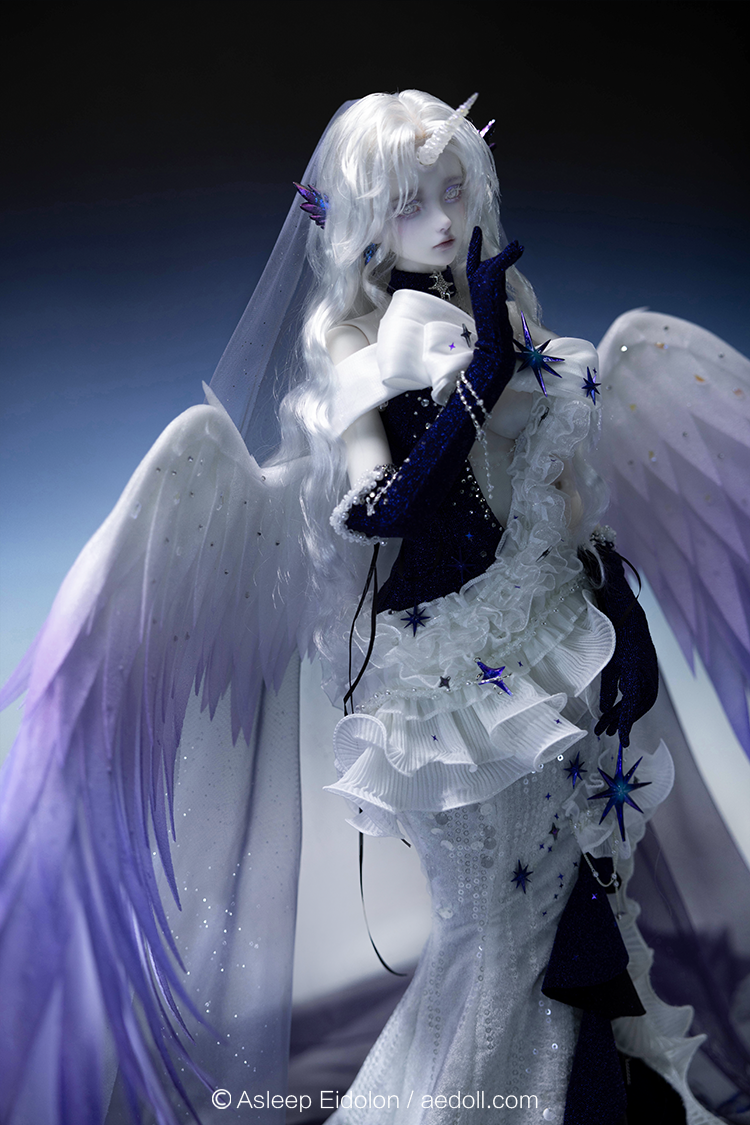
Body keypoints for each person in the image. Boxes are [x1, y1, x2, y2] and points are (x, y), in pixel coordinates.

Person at [0, 90, 730, 1125]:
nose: (441, 221)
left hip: (550, 641)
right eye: (406, 204)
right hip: (450, 684)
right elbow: (376, 509)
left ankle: (589, 1092)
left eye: (453, 192)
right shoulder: (358, 342)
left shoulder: (502, 304)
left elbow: (552, 480)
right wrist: (478, 379)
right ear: (362, 222)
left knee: (573, 889)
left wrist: (611, 589)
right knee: (497, 922)